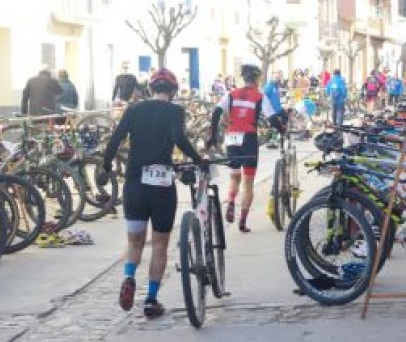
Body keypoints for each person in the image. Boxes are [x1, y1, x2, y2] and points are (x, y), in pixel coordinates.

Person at [99, 68, 203, 319]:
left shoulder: (134, 109)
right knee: (159, 244)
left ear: (151, 89)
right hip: (162, 186)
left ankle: (128, 276)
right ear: (173, 91)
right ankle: (151, 299)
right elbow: (178, 138)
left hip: (134, 184)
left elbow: (115, 139)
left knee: (134, 242)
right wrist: (198, 159)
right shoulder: (175, 111)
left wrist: (104, 167)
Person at [206, 64, 285, 233]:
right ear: (256, 79)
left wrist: (213, 136)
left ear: (244, 78)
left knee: (234, 177)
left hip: (232, 136)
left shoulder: (231, 94)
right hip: (249, 137)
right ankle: (242, 222)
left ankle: (232, 200)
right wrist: (281, 129)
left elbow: (216, 112)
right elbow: (272, 119)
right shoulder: (259, 96)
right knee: (248, 182)